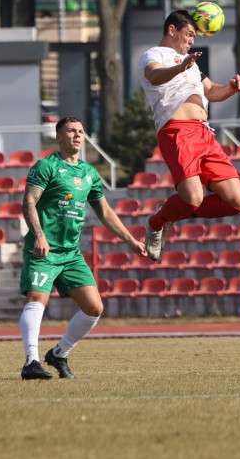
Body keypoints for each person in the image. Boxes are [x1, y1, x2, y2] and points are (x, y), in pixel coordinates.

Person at [18, 116, 146, 380]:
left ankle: (59, 353)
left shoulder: (89, 173)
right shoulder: (46, 166)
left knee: (94, 308)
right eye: (71, 131)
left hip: (71, 253)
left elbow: (105, 213)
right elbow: (29, 202)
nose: (77, 136)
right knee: (37, 300)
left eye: (81, 131)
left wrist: (131, 240)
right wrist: (39, 236)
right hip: (44, 250)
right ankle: (31, 362)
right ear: (59, 136)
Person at [139, 9, 240, 262]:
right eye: (189, 34)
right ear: (171, 30)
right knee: (192, 199)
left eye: (194, 36)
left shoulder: (191, 63)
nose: (192, 41)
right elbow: (154, 76)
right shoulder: (154, 55)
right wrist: (180, 67)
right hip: (177, 131)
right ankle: (157, 222)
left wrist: (232, 87)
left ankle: (168, 212)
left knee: (236, 201)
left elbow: (211, 91)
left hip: (204, 133)